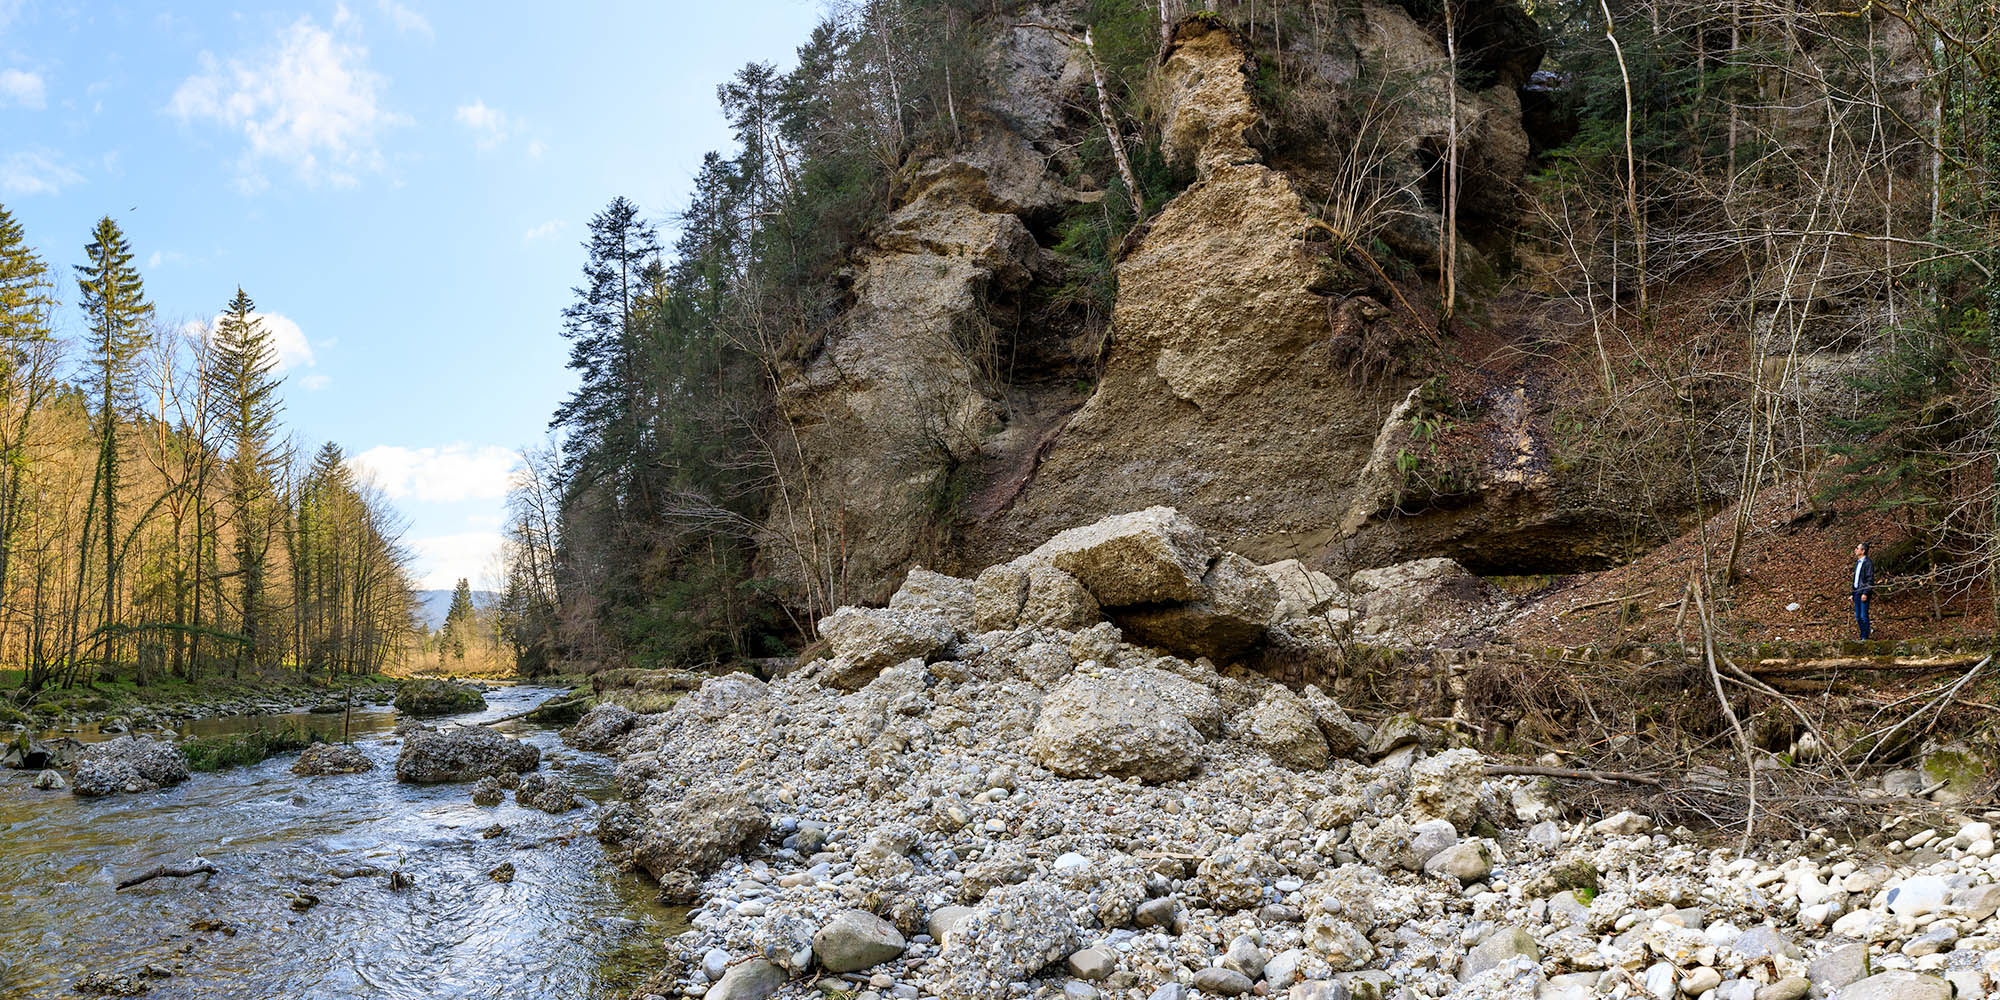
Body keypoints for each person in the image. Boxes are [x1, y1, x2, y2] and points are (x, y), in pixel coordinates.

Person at [1850, 541, 1876, 639]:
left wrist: (1865, 593)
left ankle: (1865, 637)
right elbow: (1856, 579)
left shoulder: (1868, 563)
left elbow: (1870, 579)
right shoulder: (1858, 563)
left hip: (1864, 593)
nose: (1855, 550)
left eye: (1857, 548)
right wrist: (1852, 593)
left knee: (1863, 616)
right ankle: (1862, 636)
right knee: (1858, 617)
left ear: (1863, 551)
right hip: (1857, 592)